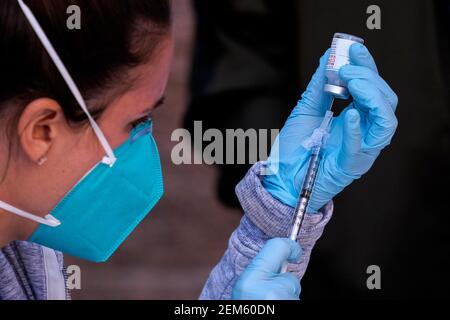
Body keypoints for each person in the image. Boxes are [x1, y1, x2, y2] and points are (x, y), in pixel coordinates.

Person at [0, 0, 398, 300]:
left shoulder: (24, 257)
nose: (146, 143)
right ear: (42, 131)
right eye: (136, 121)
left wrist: (282, 205)